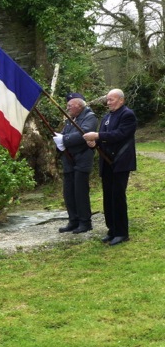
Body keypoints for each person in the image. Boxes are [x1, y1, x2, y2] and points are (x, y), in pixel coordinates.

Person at [83, 88, 137, 246]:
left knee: (118, 197)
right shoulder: (107, 116)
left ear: (121, 100)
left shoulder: (127, 115)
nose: (108, 103)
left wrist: (97, 136)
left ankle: (122, 232)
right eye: (107, 100)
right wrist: (94, 143)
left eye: (111, 100)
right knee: (108, 197)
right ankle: (112, 229)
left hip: (120, 162)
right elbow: (103, 138)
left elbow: (120, 134)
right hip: (106, 162)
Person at [53, 93, 99, 234]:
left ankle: (85, 222)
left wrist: (64, 140)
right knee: (69, 192)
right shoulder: (70, 119)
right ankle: (73, 220)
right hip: (69, 160)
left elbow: (83, 134)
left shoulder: (90, 117)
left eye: (69, 105)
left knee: (80, 191)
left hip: (82, 158)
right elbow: (63, 133)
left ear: (79, 105)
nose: (67, 108)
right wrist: (58, 138)